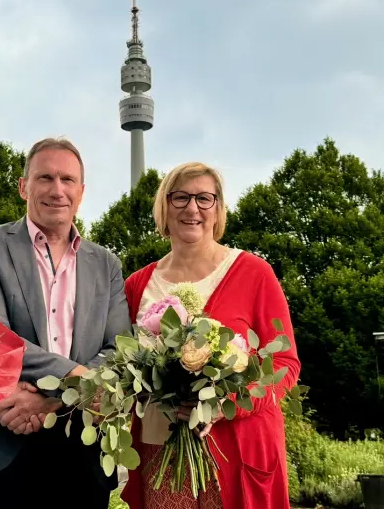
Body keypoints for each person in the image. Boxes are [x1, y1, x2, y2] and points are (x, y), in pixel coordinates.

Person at [0, 137, 132, 509]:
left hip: (83, 447)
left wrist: (54, 402)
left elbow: (120, 349)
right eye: (44, 177)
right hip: (4, 443)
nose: (57, 190)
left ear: (81, 192)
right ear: (23, 186)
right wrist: (78, 378)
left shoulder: (107, 264)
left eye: (67, 180)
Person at [120, 162, 301, 509]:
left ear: (218, 209)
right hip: (163, 455)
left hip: (236, 448)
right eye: (181, 198)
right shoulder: (137, 285)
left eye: (204, 198)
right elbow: (124, 365)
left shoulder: (254, 273)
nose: (192, 208)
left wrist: (225, 404)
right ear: (164, 206)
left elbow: (284, 363)